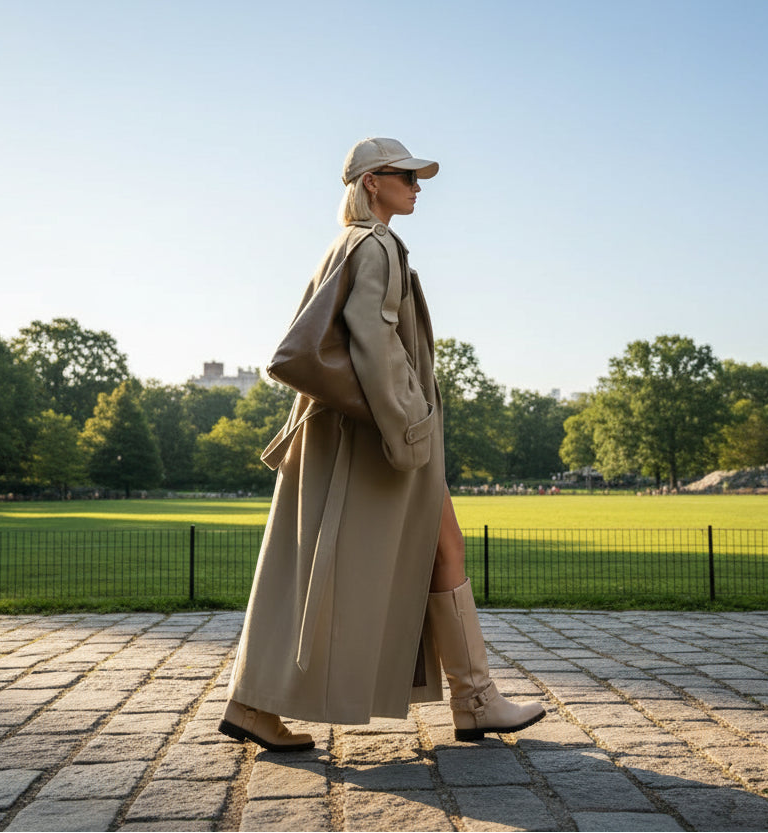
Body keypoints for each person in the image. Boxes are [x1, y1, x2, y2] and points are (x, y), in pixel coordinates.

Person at [218, 137, 546, 751]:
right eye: (407, 176)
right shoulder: (377, 243)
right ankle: (475, 700)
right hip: (374, 439)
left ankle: (473, 698)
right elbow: (375, 340)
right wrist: (414, 422)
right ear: (373, 182)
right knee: (358, 560)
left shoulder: (351, 244)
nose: (418, 186)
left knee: (329, 562)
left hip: (347, 434)